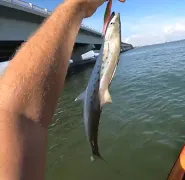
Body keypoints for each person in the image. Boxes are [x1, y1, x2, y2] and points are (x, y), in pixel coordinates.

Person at [0, 0, 124, 179]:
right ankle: (94, 149)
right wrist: (78, 7)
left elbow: (14, 115)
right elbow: (16, 116)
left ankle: (94, 149)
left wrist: (78, 6)